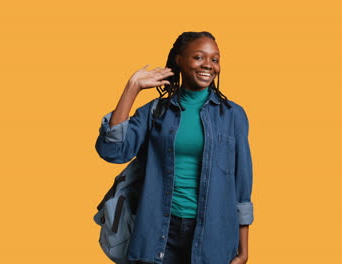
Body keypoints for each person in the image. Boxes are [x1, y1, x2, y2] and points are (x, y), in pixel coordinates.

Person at [95, 31, 254, 264]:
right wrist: (132, 88)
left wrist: (243, 250)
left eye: (215, 59)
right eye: (199, 57)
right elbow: (112, 151)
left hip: (214, 235)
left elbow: (242, 185)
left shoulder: (232, 115)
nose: (208, 65)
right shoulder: (156, 111)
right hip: (158, 231)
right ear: (179, 60)